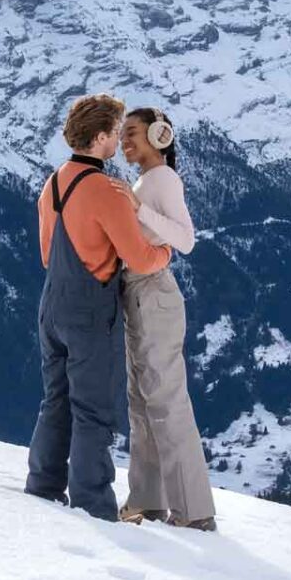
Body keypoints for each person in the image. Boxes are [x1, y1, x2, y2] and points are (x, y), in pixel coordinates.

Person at [26, 94, 171, 520]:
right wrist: (166, 254)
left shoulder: (52, 184)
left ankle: (43, 486)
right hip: (90, 309)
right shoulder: (106, 191)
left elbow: (47, 254)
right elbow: (142, 258)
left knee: (55, 399)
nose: (119, 142)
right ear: (102, 136)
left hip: (51, 304)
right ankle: (93, 504)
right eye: (116, 132)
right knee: (92, 410)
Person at [113, 107, 217, 532]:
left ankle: (194, 512)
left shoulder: (163, 180)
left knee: (167, 403)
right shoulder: (146, 180)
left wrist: (138, 209)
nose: (125, 141)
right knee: (142, 403)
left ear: (159, 135)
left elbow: (186, 238)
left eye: (133, 133)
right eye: (122, 135)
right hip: (139, 293)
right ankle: (148, 502)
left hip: (154, 292)